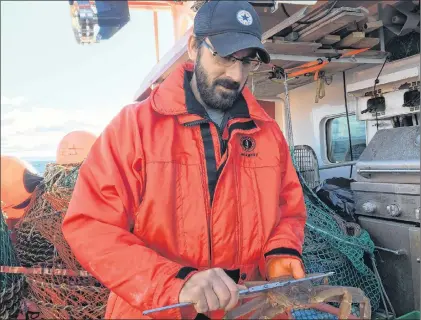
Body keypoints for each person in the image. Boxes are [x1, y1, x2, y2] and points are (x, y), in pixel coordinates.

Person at [62, 1, 307, 319]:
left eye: (247, 62)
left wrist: (281, 252)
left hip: (254, 309)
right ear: (194, 46)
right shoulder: (133, 126)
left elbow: (291, 212)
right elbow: (91, 225)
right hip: (160, 309)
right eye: (224, 56)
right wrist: (175, 284)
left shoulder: (269, 134)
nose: (236, 74)